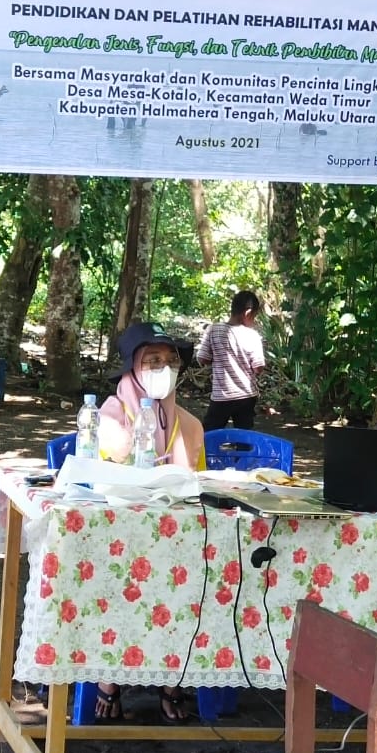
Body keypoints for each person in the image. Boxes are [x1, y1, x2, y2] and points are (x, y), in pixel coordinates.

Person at [93, 321, 206, 723]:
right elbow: (103, 485)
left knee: (193, 580)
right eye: (151, 360)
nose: (163, 368)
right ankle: (109, 679)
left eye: (169, 361)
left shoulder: (190, 426)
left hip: (177, 539)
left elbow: (199, 487)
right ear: (131, 369)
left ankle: (172, 676)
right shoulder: (108, 418)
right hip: (117, 539)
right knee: (111, 581)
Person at [194, 290, 266, 430]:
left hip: (222, 395)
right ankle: (242, 451)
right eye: (254, 316)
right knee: (244, 435)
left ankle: (207, 452)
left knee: (210, 433)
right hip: (246, 395)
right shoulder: (252, 335)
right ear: (248, 313)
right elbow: (258, 367)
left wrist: (218, 359)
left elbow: (202, 358)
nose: (254, 320)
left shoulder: (213, 329)